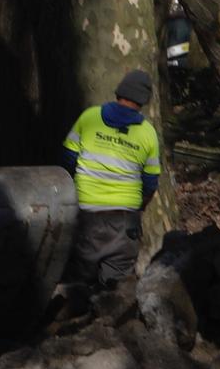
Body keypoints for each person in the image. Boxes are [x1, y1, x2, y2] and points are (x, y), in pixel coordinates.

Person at [59, 69, 163, 288]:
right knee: (118, 286)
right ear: (143, 101)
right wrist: (138, 207)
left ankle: (76, 317)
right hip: (125, 219)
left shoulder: (89, 117)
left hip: (87, 213)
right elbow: (151, 183)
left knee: (78, 281)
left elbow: (67, 160)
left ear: (119, 92)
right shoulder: (148, 133)